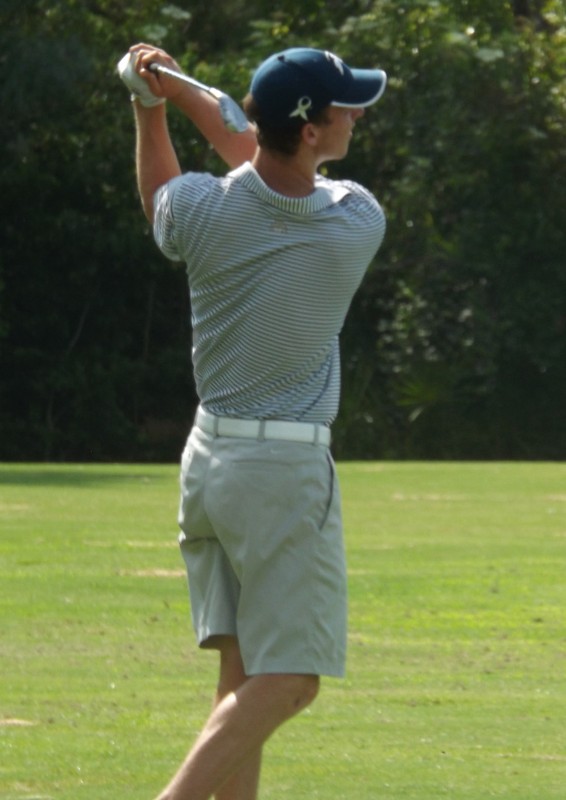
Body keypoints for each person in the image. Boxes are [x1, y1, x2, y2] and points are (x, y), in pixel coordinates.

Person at [120, 42, 387, 800]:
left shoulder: (202, 209)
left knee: (239, 679)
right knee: (292, 681)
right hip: (281, 477)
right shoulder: (353, 219)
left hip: (209, 466)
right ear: (310, 131)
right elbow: (243, 138)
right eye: (345, 106)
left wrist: (152, 105)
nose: (357, 114)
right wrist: (178, 89)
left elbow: (178, 184)